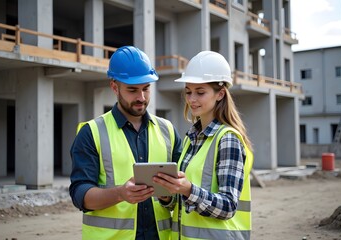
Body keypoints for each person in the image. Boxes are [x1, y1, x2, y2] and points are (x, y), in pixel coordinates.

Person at [69, 45, 182, 240]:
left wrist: (168, 196)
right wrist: (120, 194)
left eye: (146, 88)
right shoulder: (92, 132)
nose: (141, 97)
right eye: (132, 90)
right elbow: (80, 195)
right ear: (114, 86)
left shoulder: (168, 131)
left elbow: (183, 188)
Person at [153, 51, 254, 240]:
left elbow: (228, 206)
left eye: (200, 92)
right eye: (188, 92)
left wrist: (187, 189)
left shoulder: (228, 139)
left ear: (220, 94)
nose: (192, 99)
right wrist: (168, 196)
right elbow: (185, 204)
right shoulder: (191, 138)